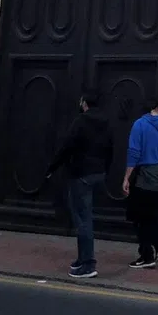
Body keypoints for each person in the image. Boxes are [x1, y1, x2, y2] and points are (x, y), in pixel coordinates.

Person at [48, 92, 113, 278]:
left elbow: (67, 146)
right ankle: (81, 258)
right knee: (84, 216)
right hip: (98, 173)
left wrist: (52, 167)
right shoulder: (106, 122)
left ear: (85, 104)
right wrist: (105, 170)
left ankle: (88, 263)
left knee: (83, 220)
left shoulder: (81, 121)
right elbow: (111, 148)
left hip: (81, 174)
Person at [122, 94, 158, 269]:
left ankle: (149, 253)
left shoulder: (140, 125)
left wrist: (126, 177)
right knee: (154, 215)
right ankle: (154, 247)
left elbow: (134, 152)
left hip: (144, 177)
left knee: (140, 217)